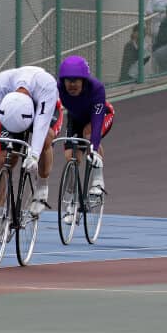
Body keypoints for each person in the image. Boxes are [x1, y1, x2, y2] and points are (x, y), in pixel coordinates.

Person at [0, 66, 62, 238]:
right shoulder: (0, 83)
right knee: (5, 160)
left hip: (42, 108)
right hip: (11, 112)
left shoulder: (47, 85)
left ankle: (42, 187)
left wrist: (34, 155)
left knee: (46, 138)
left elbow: (40, 125)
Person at [57, 56, 114, 222]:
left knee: (89, 136)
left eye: (76, 81)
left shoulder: (96, 88)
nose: (72, 85)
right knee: (71, 158)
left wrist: (94, 149)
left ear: (84, 80)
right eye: (68, 81)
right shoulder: (58, 87)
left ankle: (97, 180)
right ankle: (72, 203)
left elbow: (96, 123)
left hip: (100, 116)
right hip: (75, 119)